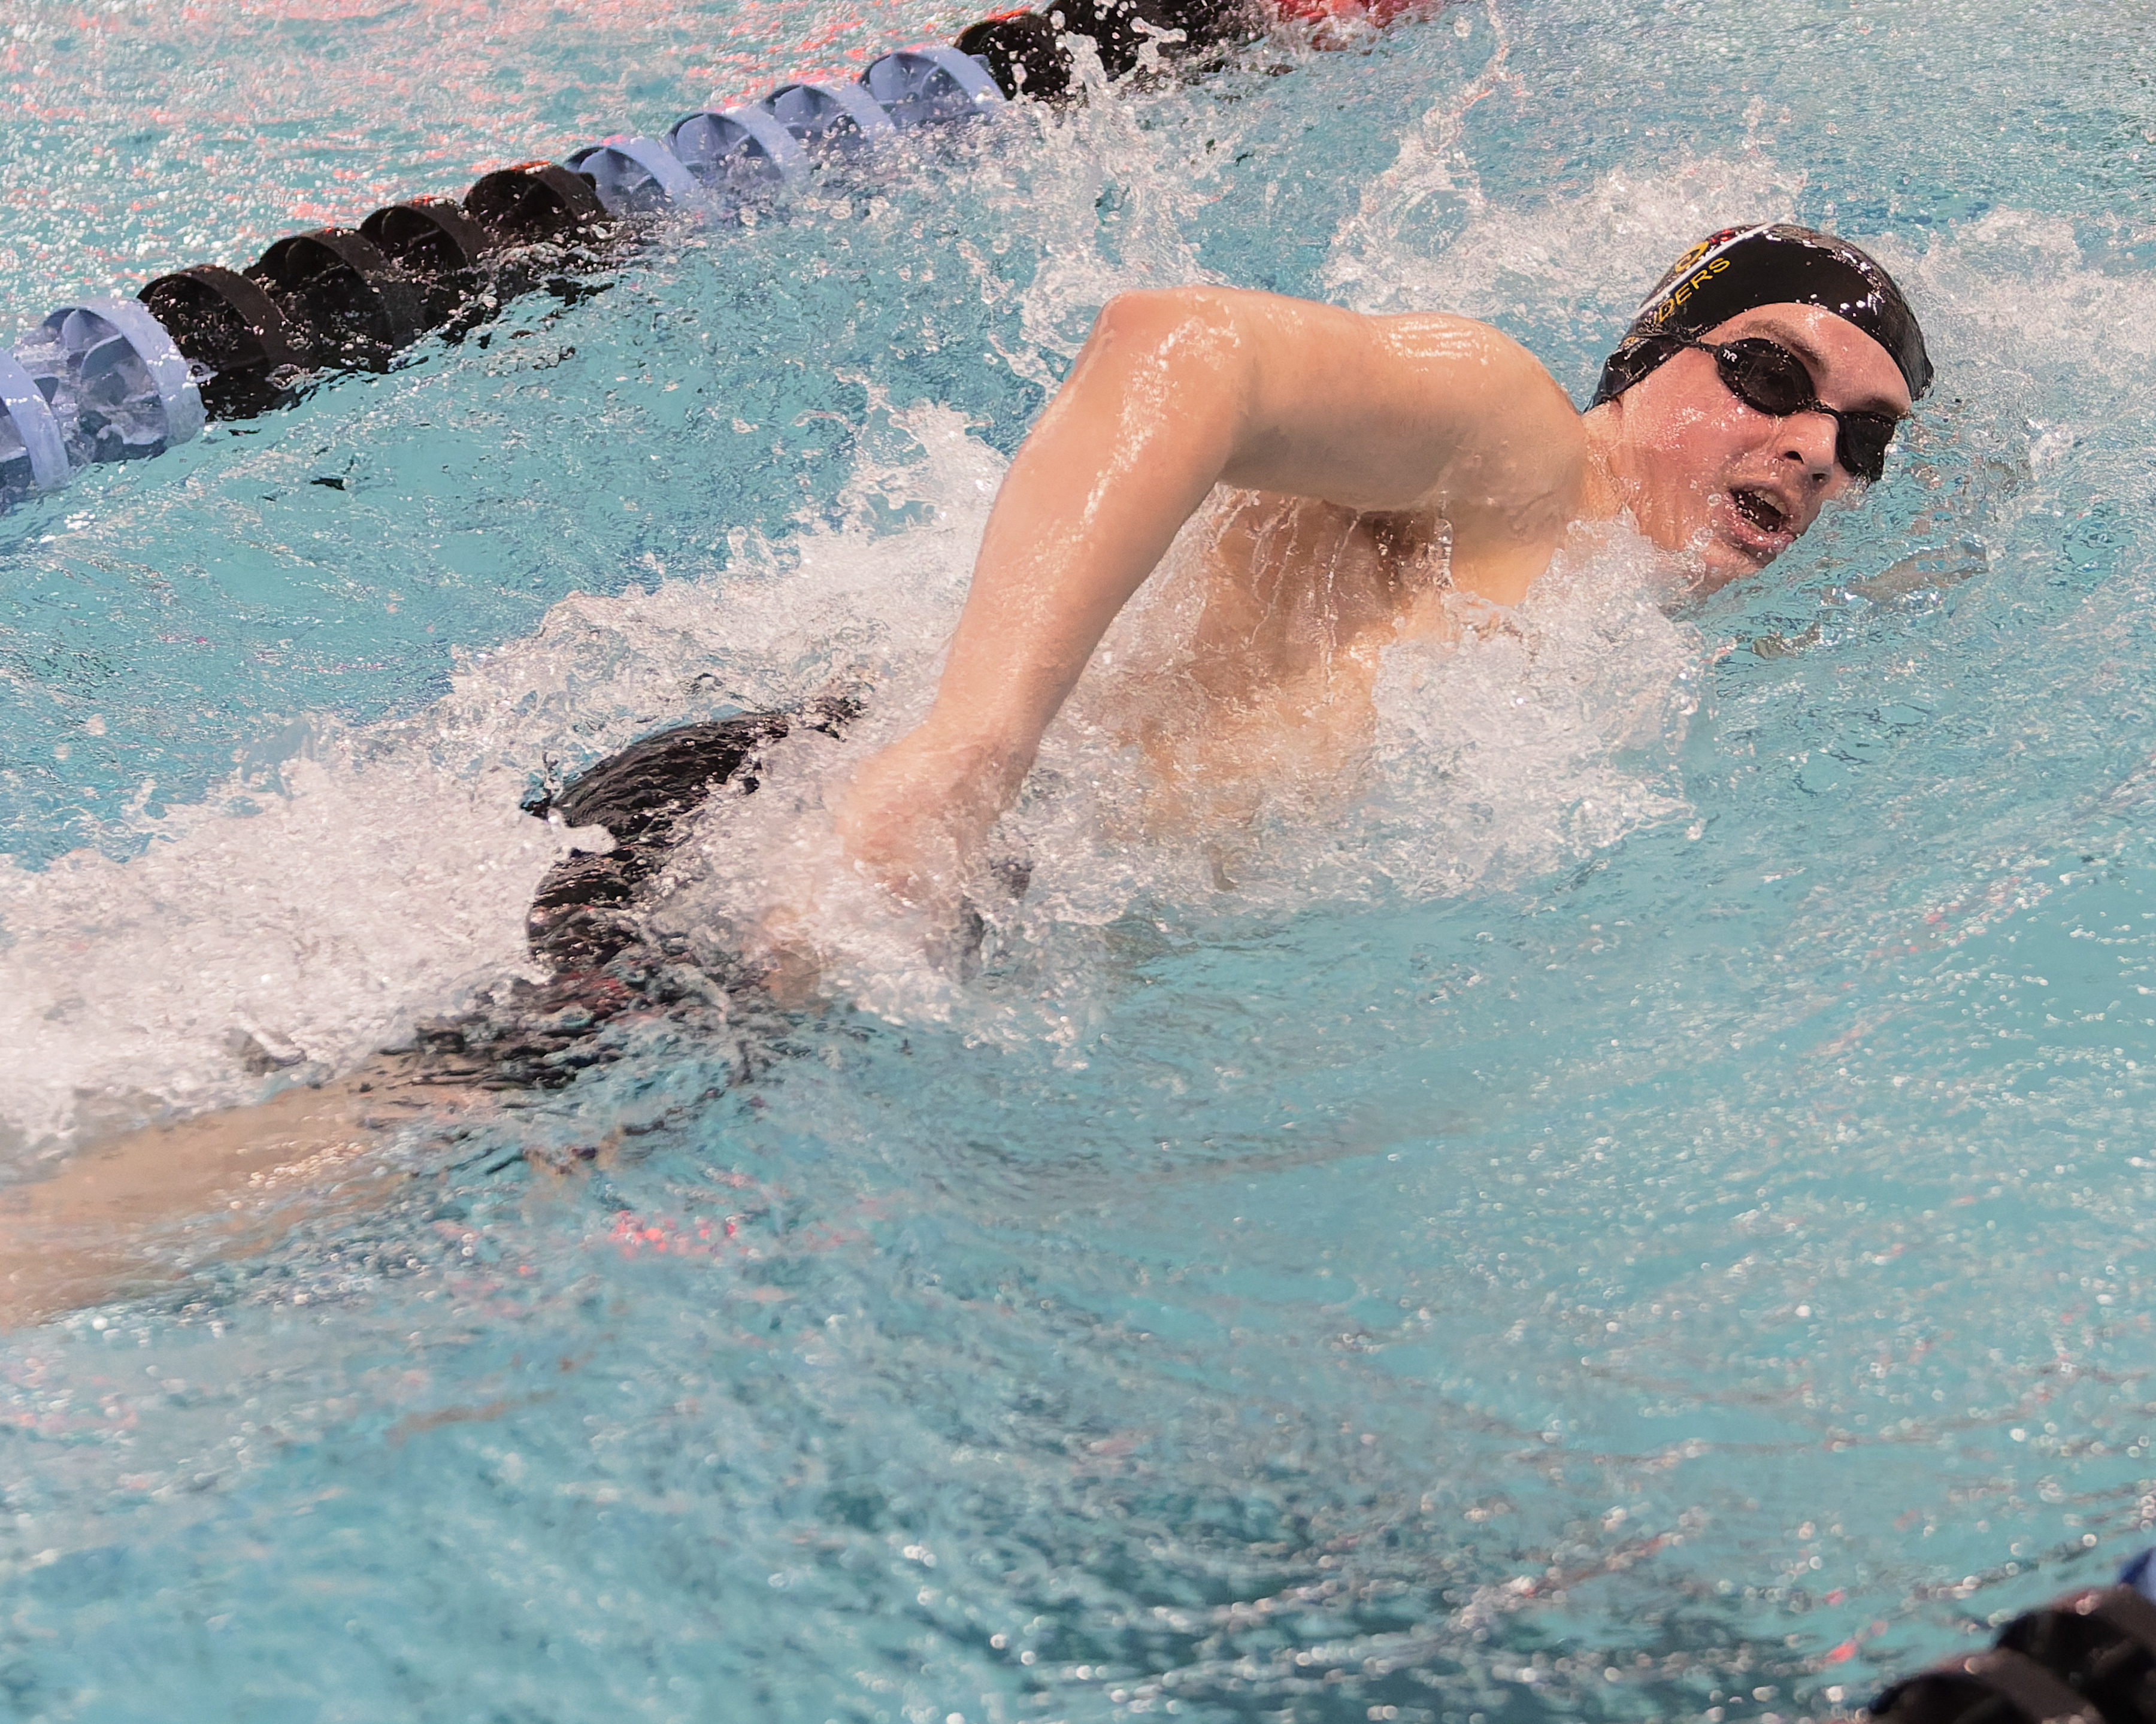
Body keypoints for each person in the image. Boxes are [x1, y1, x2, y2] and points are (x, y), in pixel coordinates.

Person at [0, 220, 1931, 1325]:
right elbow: (1185, 349)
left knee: (212, 1034)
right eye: (1767, 376)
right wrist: (972, 750)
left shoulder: (1603, 631)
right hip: (854, 835)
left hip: (839, 833)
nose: (1806, 449)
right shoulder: (1515, 454)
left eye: (1863, 443)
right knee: (391, 1149)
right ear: (1648, 360)